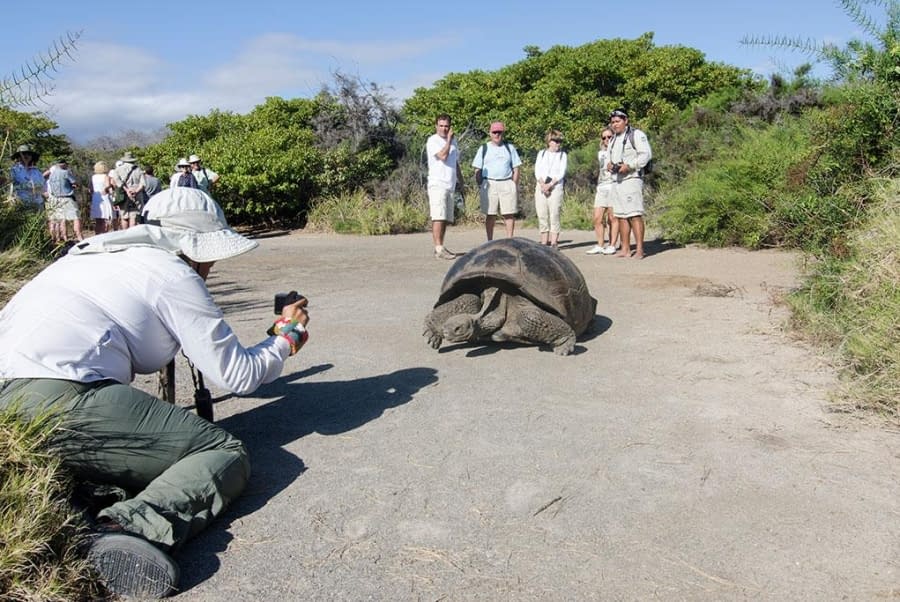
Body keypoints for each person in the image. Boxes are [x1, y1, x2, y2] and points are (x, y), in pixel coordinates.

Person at [0, 187, 311, 599]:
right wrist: (286, 338)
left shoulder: (78, 261)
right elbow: (237, 376)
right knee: (222, 452)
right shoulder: (172, 274)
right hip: (60, 398)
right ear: (196, 248)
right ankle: (125, 528)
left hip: (13, 407)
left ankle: (77, 500)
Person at [607, 108, 652, 259]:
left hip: (632, 179)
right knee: (620, 216)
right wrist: (609, 165)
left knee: (634, 214)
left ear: (626, 121)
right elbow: (609, 159)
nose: (615, 124)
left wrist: (630, 166)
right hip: (616, 181)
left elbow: (645, 155)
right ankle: (625, 248)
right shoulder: (612, 139)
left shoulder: (636, 135)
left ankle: (640, 249)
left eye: (618, 121)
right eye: (613, 122)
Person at [471, 121, 521, 240]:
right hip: (489, 183)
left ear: (503, 133)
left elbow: (516, 167)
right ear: (490, 133)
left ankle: (510, 239)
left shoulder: (510, 148)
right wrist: (481, 184)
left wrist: (513, 184)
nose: (497, 134)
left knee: (509, 214)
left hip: (506, 182)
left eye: (499, 132)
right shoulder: (484, 148)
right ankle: (489, 240)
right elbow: (477, 168)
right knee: (490, 214)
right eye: (494, 132)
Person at [426, 114, 464, 259]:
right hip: (437, 183)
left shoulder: (454, 142)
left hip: (450, 184)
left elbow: (455, 162)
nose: (444, 128)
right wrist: (448, 140)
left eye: (446, 126)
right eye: (441, 126)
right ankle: (438, 248)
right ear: (436, 126)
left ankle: (441, 246)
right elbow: (443, 156)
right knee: (438, 216)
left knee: (446, 217)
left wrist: (461, 180)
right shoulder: (433, 141)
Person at [586, 127, 619, 255]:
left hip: (613, 185)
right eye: (604, 137)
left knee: (612, 217)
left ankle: (612, 244)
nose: (606, 139)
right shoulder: (600, 153)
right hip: (602, 186)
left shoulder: (617, 151)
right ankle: (600, 244)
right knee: (597, 217)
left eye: (609, 137)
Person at [533, 129, 568, 249]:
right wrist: (543, 184)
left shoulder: (563, 155)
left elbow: (561, 172)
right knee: (542, 214)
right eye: (555, 141)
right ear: (549, 141)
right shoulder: (541, 153)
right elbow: (537, 170)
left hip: (556, 187)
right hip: (541, 186)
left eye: (559, 141)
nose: (558, 143)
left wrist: (550, 185)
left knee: (554, 214)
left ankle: (554, 242)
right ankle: (544, 241)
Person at [45, 158, 83, 243]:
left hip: (55, 199)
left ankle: (55, 239)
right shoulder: (65, 172)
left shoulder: (51, 175)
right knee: (76, 217)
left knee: (59, 219)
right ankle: (79, 236)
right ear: (63, 164)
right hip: (67, 198)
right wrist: (74, 186)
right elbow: (75, 183)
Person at [111, 151, 146, 229]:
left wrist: (127, 190)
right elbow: (143, 184)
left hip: (123, 195)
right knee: (134, 215)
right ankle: (132, 235)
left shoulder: (118, 169)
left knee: (124, 216)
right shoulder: (138, 170)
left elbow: (117, 182)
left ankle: (125, 234)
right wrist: (136, 191)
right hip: (136, 194)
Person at [9, 144, 47, 213]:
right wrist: (29, 186)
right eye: (23, 154)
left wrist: (33, 187)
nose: (26, 156)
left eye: (28, 154)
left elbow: (43, 186)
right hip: (21, 204)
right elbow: (10, 187)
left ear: (31, 157)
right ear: (18, 157)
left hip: (38, 203)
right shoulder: (14, 170)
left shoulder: (36, 171)